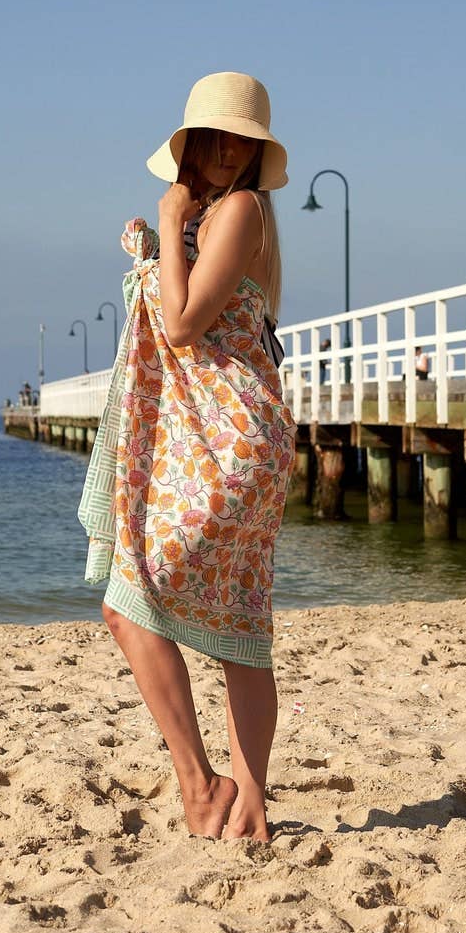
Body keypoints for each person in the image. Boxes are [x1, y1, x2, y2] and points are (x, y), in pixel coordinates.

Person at [78, 72, 295, 841]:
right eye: (219, 135)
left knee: (132, 600)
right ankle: (248, 807)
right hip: (213, 437)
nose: (231, 151)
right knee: (233, 621)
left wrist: (168, 226)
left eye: (247, 141)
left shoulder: (238, 212)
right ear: (193, 142)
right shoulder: (215, 218)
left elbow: (180, 323)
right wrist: (154, 239)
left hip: (230, 440)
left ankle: (206, 787)